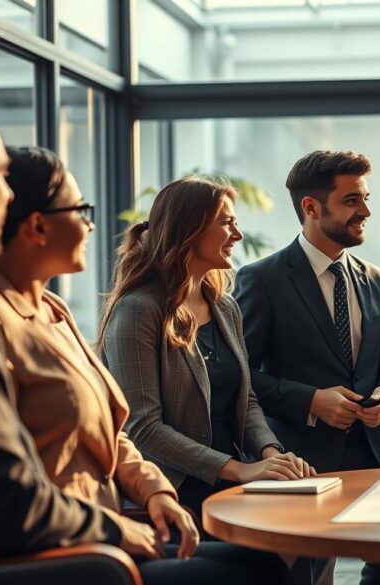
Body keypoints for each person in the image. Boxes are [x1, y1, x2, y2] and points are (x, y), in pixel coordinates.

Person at [0, 147, 294, 584]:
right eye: (80, 210)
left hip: (114, 527)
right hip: (79, 549)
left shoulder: (54, 310)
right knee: (254, 571)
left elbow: (115, 430)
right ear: (37, 225)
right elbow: (140, 429)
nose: (90, 224)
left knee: (267, 562)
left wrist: (155, 491)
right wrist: (125, 526)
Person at [0, 76, 122, 563]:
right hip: (53, 559)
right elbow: (8, 504)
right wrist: (118, 533)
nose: (8, 197)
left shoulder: (47, 310)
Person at [235, 150, 380, 585]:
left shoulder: (377, 278)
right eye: (352, 200)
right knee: (309, 575)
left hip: (373, 453)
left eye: (366, 198)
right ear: (311, 207)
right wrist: (311, 401)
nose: (366, 211)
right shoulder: (262, 279)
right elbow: (239, 377)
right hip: (301, 459)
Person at [99, 176, 310, 523]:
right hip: (175, 491)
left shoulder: (225, 307)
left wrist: (271, 455)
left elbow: (247, 400)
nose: (238, 235)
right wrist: (239, 470)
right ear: (190, 229)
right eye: (226, 223)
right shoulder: (137, 310)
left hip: (232, 480)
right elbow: (143, 427)